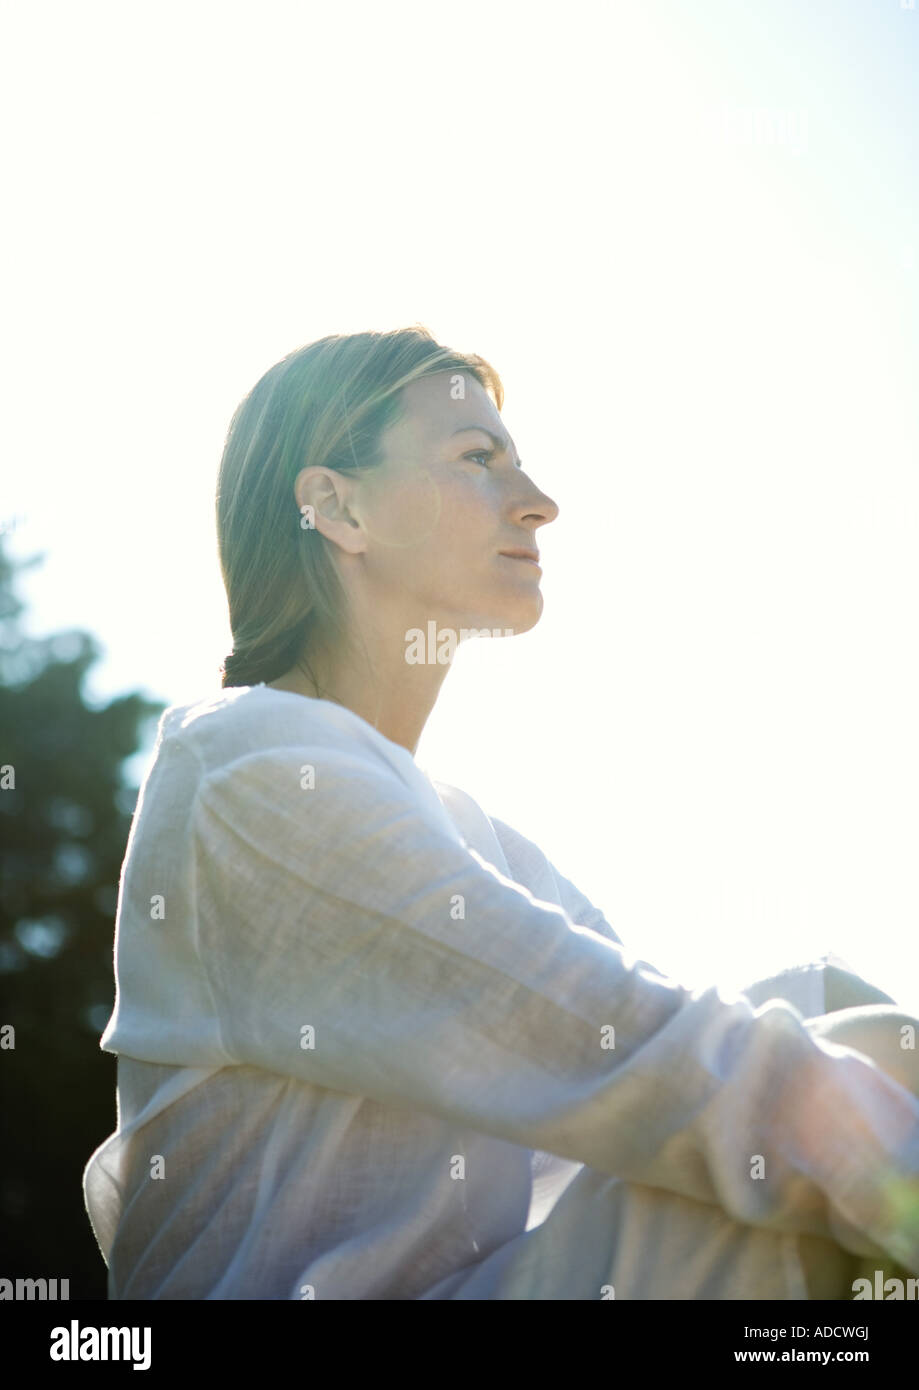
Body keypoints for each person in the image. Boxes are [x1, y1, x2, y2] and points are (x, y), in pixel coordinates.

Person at [82, 326, 919, 1300]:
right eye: (477, 459)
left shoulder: (472, 835)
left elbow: (645, 1068)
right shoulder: (251, 773)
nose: (540, 502)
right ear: (337, 507)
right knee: (817, 1143)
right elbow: (632, 1054)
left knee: (833, 1016)